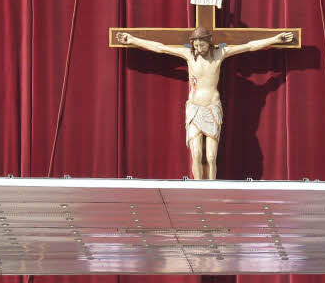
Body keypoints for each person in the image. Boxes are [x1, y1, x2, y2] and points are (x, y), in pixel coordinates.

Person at [115, 26, 295, 180]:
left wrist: (274, 39)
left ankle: (210, 188)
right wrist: (132, 39)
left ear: (209, 42)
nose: (198, 48)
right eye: (196, 45)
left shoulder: (220, 54)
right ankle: (196, 189)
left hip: (212, 108)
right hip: (194, 109)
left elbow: (249, 46)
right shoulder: (188, 55)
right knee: (196, 154)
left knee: (210, 156)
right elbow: (159, 48)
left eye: (201, 44)